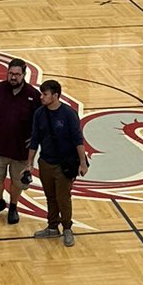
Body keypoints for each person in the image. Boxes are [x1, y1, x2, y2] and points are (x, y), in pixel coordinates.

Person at [0, 58, 40, 226]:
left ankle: (13, 206)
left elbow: (41, 121)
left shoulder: (33, 96)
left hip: (21, 151)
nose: (13, 77)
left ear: (24, 75)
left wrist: (35, 138)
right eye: (10, 73)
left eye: (17, 74)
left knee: (17, 182)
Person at [28, 80, 91, 246]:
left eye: (45, 94)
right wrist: (30, 163)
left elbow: (78, 140)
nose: (41, 97)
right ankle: (52, 227)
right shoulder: (39, 114)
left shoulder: (68, 114)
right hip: (45, 162)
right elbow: (34, 140)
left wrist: (82, 163)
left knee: (63, 198)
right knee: (50, 197)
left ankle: (67, 228)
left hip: (63, 165)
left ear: (55, 95)